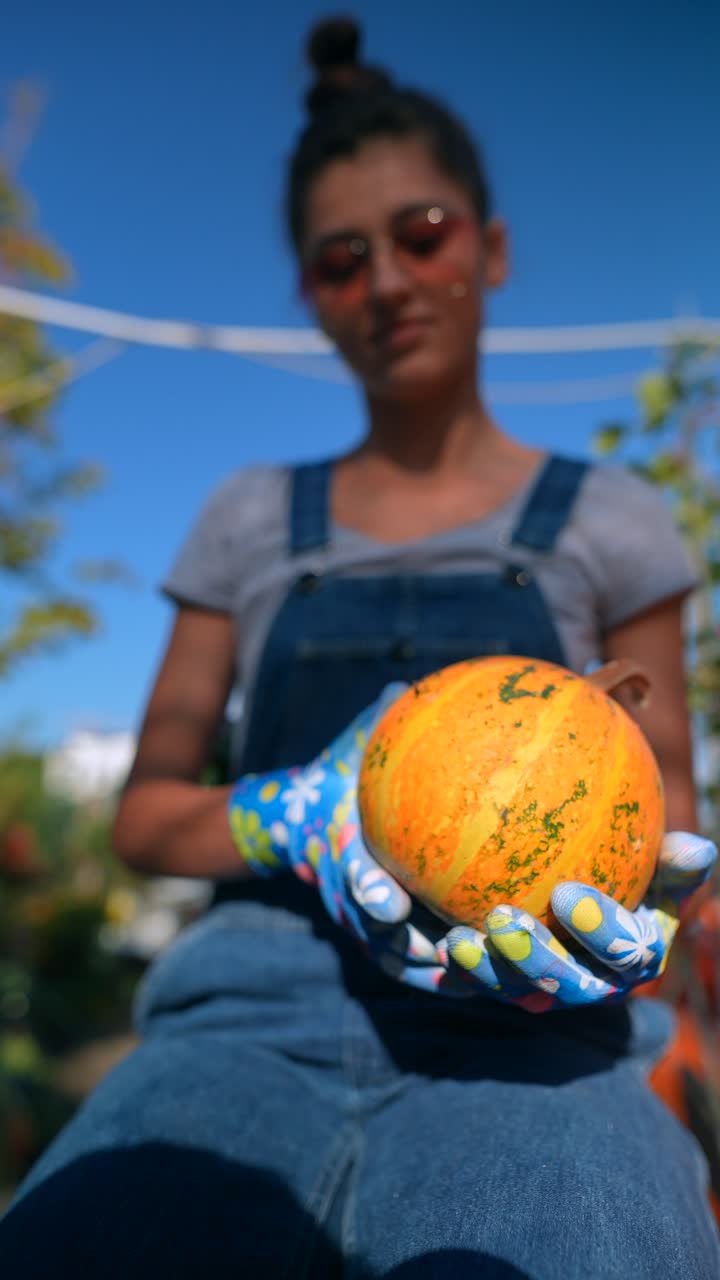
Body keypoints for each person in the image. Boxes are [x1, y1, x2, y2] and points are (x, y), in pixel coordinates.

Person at [1, 17, 718, 1277]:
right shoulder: (245, 515)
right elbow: (144, 815)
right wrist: (288, 815)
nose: (385, 280)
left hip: (530, 1022)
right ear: (313, 296)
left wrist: (633, 906)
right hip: (248, 1002)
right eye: (341, 259)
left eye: (421, 234)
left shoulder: (612, 515)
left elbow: (667, 806)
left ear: (488, 251)